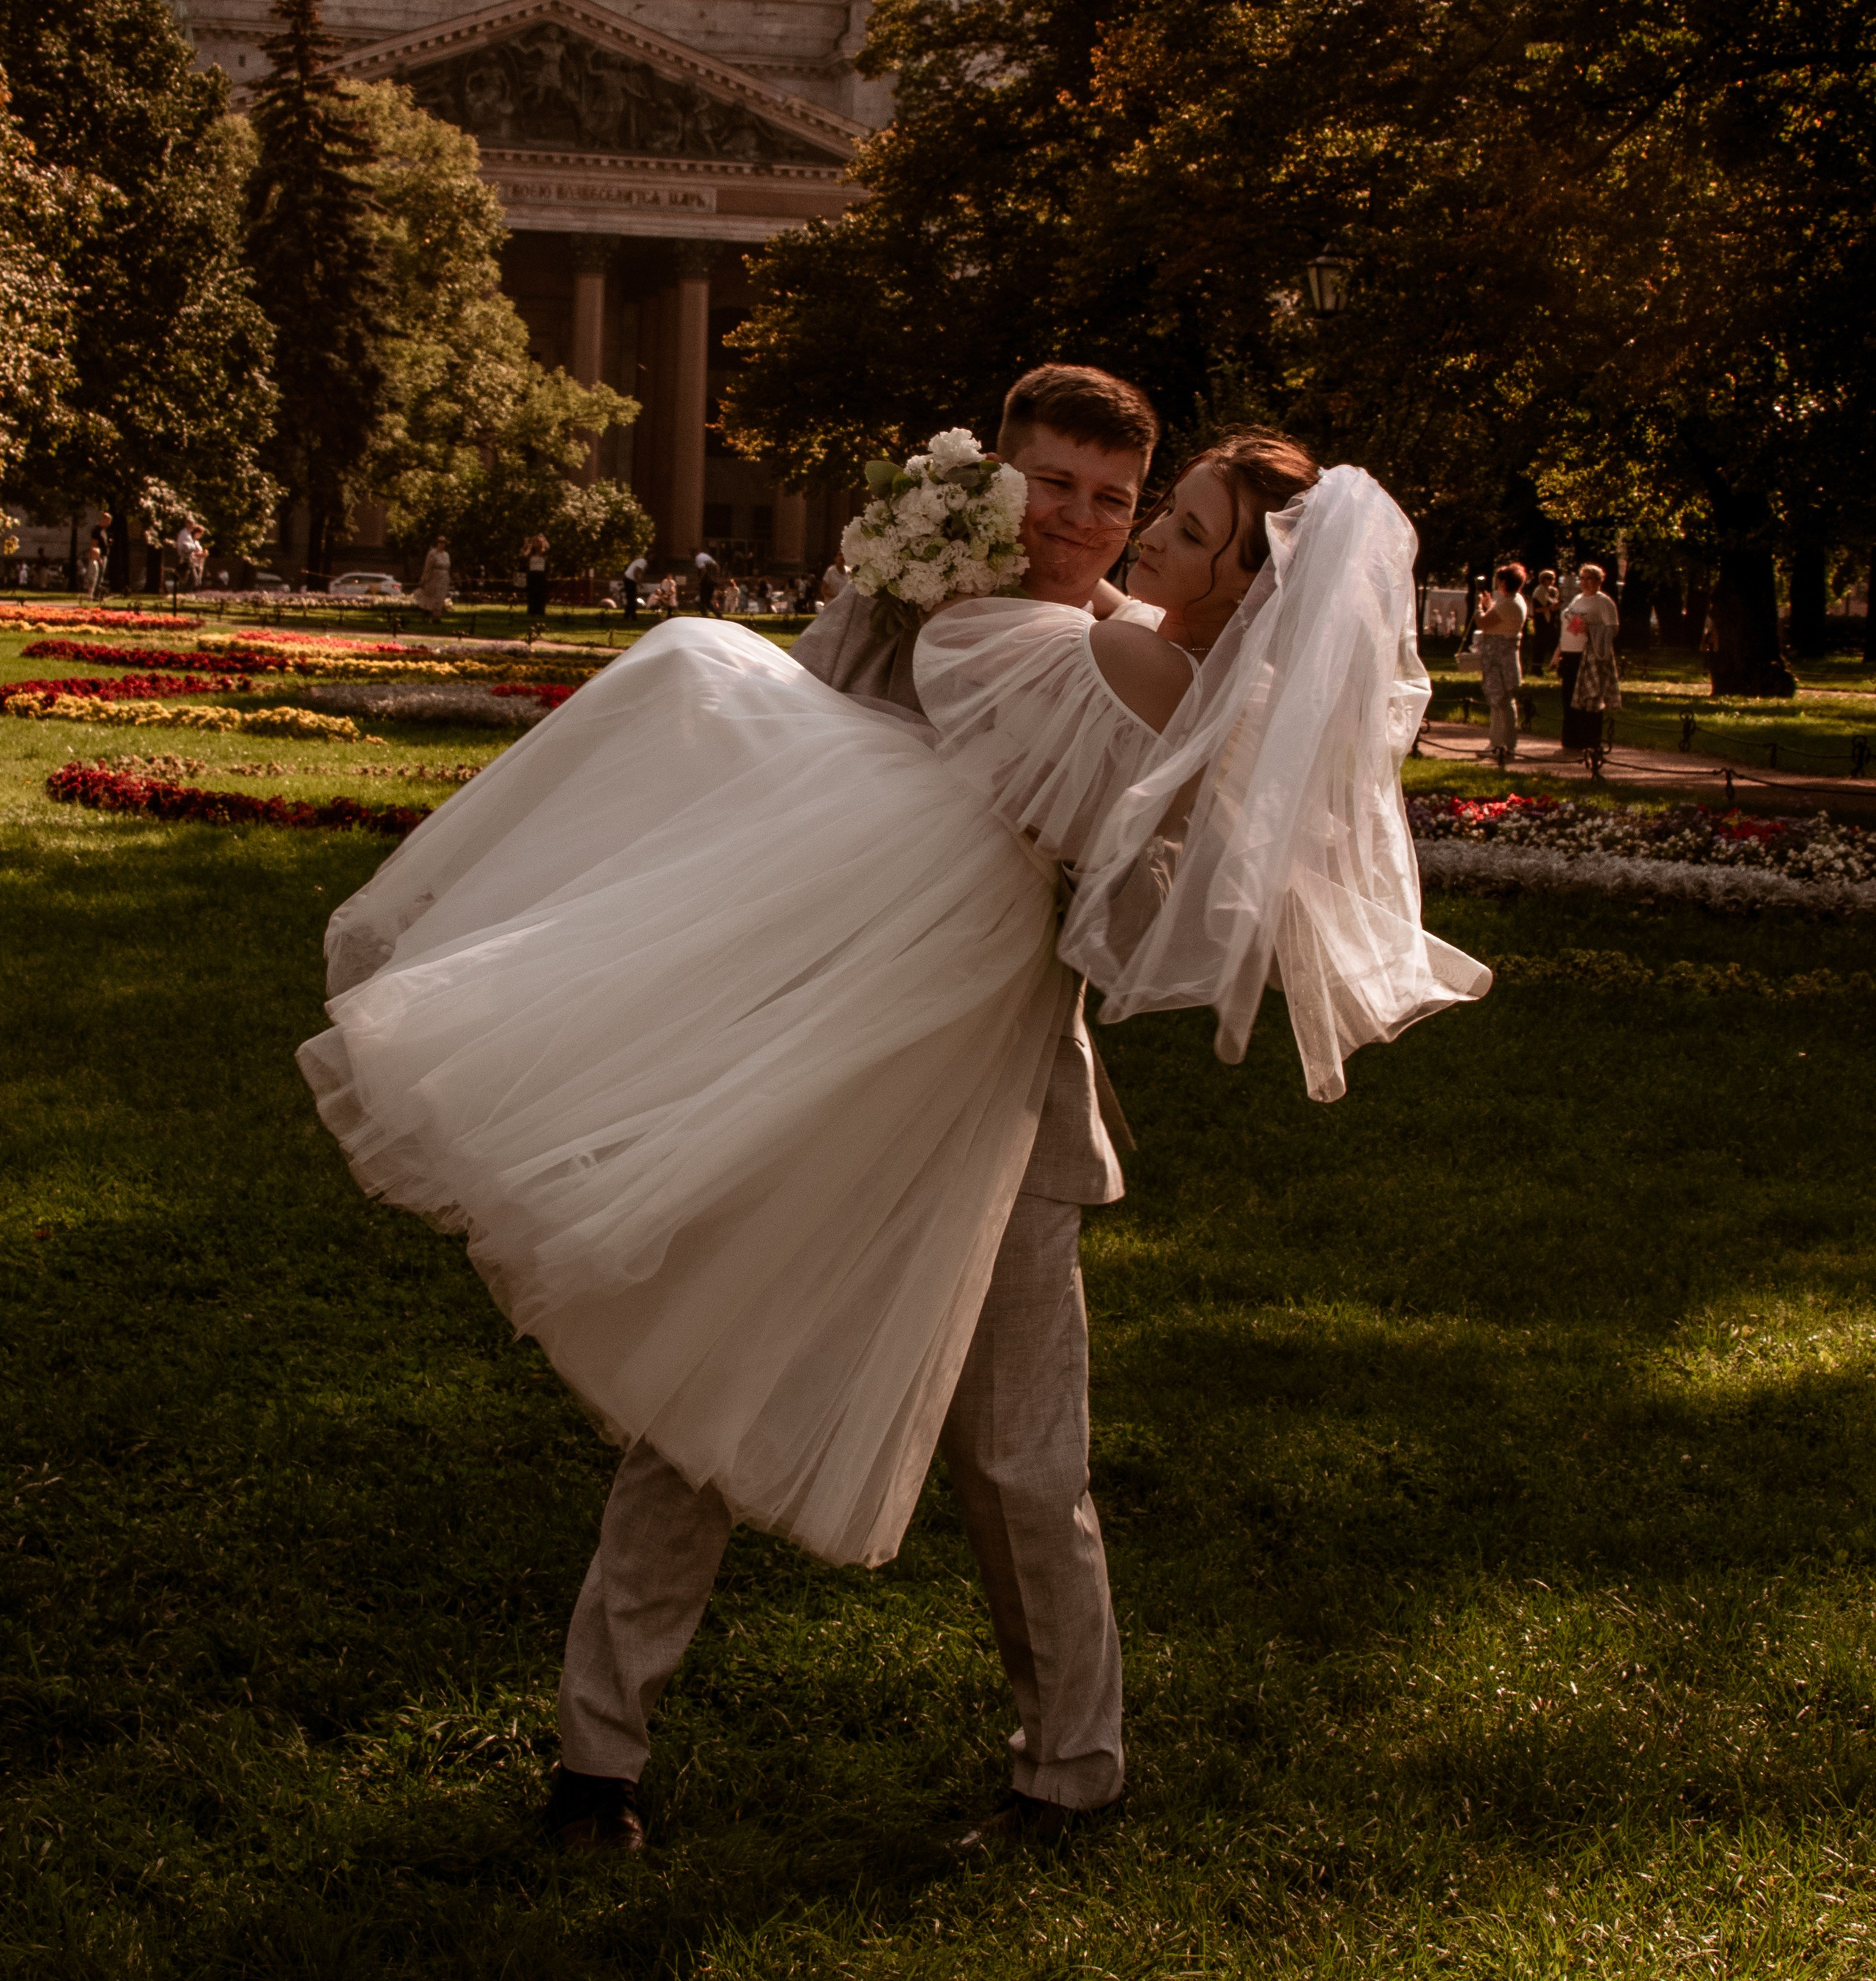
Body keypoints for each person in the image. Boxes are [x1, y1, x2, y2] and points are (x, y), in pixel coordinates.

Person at [298, 370, 1488, 1859]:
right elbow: (779, 755)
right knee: (694, 1403)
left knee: (1022, 1458)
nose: (1087, 523)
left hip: (1002, 1091)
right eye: (1059, 487)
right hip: (819, 1047)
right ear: (1001, 475)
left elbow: (1156, 851)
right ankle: (597, 1766)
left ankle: (1070, 1769)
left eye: (1126, 506)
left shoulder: (1125, 662)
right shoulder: (916, 593)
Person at [1556, 562, 1620, 763]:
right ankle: (1572, 740)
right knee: (1569, 697)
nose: (1585, 583)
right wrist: (1558, 653)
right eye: (1582, 579)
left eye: (1590, 579)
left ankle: (1591, 740)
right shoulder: (1577, 599)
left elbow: (1613, 629)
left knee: (1589, 698)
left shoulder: (1604, 602)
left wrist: (1590, 629)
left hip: (1587, 654)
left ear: (1599, 581)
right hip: (1569, 652)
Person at [1477, 561, 1528, 767]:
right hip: (1503, 656)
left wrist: (1479, 608)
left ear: (1504, 582)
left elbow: (1483, 623)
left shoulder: (1509, 604)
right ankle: (1498, 743)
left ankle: (1505, 745)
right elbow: (1496, 618)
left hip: (1500, 658)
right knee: (1500, 702)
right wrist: (1489, 607)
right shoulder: (1515, 600)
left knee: (1503, 703)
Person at [1527, 567, 1562, 671]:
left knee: (1555, 645)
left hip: (1552, 621)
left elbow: (1554, 604)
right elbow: (1537, 609)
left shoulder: (1553, 591)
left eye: (1553, 578)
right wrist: (1550, 608)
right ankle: (1536, 668)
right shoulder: (1539, 591)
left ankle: (1557, 666)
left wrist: (1557, 607)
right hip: (1542, 621)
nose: (1552, 580)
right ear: (1543, 579)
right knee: (1540, 645)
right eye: (1549, 578)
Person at [413, 540, 452, 617]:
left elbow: (448, 567)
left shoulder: (446, 554)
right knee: (433, 595)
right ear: (437, 543)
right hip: (435, 578)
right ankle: (430, 612)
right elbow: (428, 567)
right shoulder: (433, 554)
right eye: (440, 542)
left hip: (444, 578)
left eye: (444, 542)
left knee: (441, 596)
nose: (442, 544)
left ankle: (437, 614)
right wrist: (424, 579)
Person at [523, 534, 550, 629]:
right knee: (532, 594)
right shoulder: (531, 553)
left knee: (541, 594)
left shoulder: (544, 553)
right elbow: (524, 555)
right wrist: (529, 544)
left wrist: (543, 538)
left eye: (539, 542)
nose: (537, 544)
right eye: (536, 542)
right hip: (532, 575)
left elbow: (548, 546)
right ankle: (532, 612)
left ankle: (540, 612)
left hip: (541, 575)